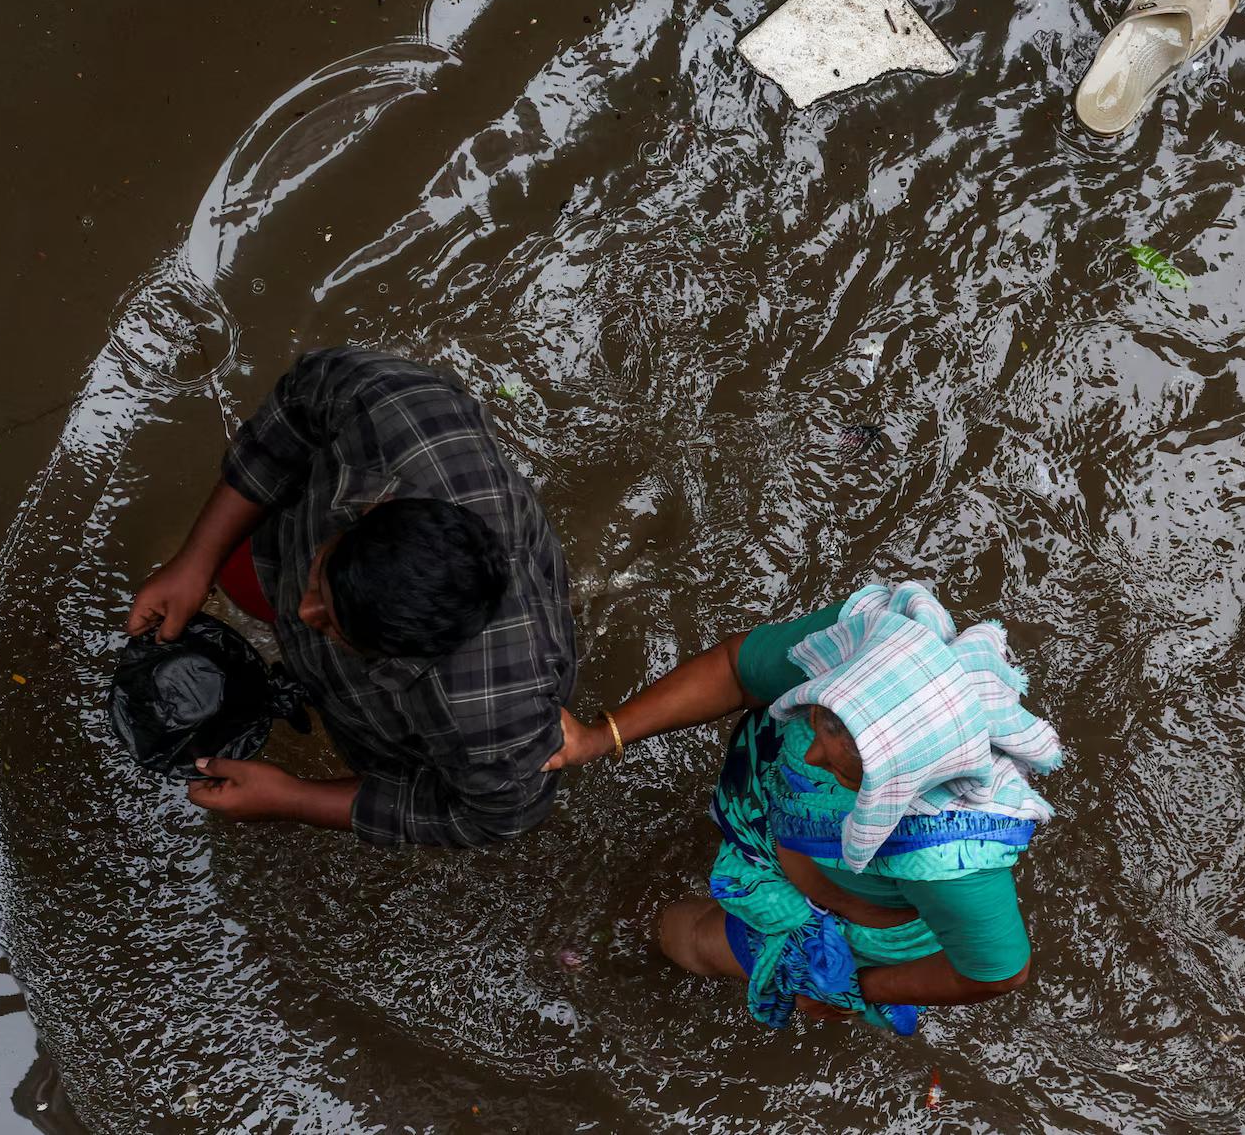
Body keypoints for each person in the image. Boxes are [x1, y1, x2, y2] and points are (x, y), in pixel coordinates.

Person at [547, 581, 1062, 1031]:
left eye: (847, 764)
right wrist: (599, 737)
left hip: (837, 917)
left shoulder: (948, 856)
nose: (814, 752)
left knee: (694, 937)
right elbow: (735, 671)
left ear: (902, 784)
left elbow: (999, 972)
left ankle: (639, 931)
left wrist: (856, 987)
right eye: (826, 719)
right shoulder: (859, 647)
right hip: (783, 831)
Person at [126, 347, 575, 847]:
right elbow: (300, 405)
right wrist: (196, 559)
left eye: (335, 629)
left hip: (417, 706)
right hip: (292, 543)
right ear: (373, 511)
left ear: (406, 654)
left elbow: (498, 816)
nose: (302, 610)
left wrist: (294, 799)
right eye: (322, 581)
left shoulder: (491, 714)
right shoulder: (398, 411)